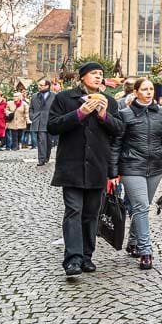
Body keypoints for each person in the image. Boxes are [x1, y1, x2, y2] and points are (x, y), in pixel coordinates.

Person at [48, 61, 123, 276]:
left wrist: (103, 115)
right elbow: (52, 126)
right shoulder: (65, 98)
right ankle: (73, 258)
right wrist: (79, 113)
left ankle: (87, 256)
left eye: (101, 74)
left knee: (91, 213)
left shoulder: (109, 101)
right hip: (71, 164)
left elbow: (118, 129)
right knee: (73, 211)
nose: (98, 77)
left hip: (97, 164)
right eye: (93, 74)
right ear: (82, 77)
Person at [109, 77, 162, 270]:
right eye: (145, 89)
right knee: (141, 206)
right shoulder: (125, 114)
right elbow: (116, 145)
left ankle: (133, 242)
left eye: (151, 89)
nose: (149, 92)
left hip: (156, 167)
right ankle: (145, 251)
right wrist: (113, 171)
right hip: (131, 166)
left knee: (141, 208)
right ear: (136, 92)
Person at [30, 79, 56, 166]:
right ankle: (41, 159)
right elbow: (31, 108)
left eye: (41, 85)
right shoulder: (34, 96)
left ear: (47, 86)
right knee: (41, 140)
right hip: (38, 121)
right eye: (39, 85)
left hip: (50, 121)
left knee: (49, 142)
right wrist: (32, 116)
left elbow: (57, 108)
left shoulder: (54, 96)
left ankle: (46, 157)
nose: (39, 87)